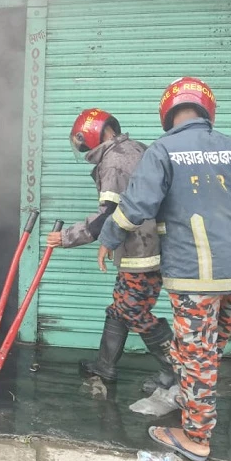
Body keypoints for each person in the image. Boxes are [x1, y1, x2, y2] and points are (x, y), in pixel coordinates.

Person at [98, 77, 231, 461]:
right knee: (211, 348)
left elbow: (136, 205)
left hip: (195, 274)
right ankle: (195, 405)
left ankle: (196, 437)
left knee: (195, 356)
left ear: (168, 111)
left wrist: (109, 236)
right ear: (207, 108)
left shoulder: (164, 150)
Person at [47, 109, 173, 394]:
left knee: (133, 310)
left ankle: (175, 368)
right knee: (121, 307)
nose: (81, 145)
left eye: (80, 138)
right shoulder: (134, 148)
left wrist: (66, 237)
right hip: (142, 245)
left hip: (143, 249)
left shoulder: (114, 161)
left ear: (93, 132)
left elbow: (109, 214)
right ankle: (105, 366)